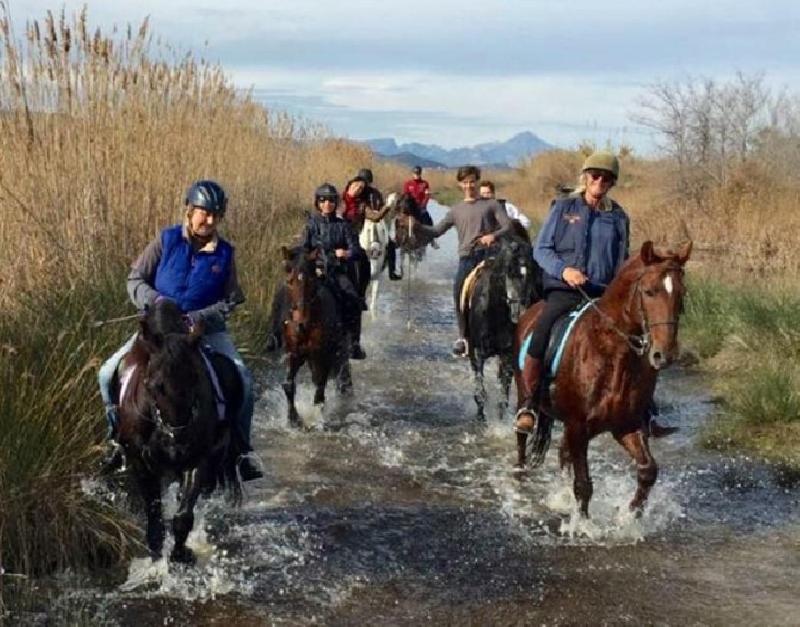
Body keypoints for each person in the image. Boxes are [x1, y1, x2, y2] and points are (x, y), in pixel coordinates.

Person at [97, 180, 263, 480]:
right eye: (204, 213)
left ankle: (241, 451)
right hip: (157, 332)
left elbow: (231, 299)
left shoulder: (224, 254)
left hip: (202, 332)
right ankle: (117, 442)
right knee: (107, 373)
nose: (209, 221)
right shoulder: (166, 240)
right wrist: (158, 302)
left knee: (244, 379)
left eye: (215, 215)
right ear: (189, 211)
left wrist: (200, 316)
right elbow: (135, 280)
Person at [514, 152, 629, 436]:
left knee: (635, 340)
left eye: (606, 178)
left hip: (603, 294)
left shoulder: (618, 217)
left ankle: (643, 409)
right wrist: (565, 271)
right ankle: (529, 402)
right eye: (595, 175)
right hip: (565, 289)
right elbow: (542, 250)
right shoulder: (564, 208)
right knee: (541, 331)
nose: (600, 181)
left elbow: (622, 259)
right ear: (585, 177)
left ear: (612, 182)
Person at [410, 165, 512, 357]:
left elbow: (507, 226)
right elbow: (437, 231)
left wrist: (494, 235)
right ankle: (463, 337)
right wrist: (417, 227)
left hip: (490, 256)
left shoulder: (491, 205)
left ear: (477, 181)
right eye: (465, 182)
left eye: (472, 181)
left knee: (513, 288)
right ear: (460, 185)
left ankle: (512, 329)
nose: (469, 185)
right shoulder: (456, 210)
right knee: (458, 289)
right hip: (467, 257)